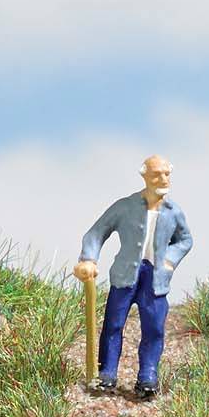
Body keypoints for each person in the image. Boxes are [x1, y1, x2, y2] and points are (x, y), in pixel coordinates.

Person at [74, 154, 193, 401]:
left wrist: (170, 261)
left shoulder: (174, 212)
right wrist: (88, 258)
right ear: (145, 176)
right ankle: (106, 372)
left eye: (166, 174)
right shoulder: (125, 206)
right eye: (156, 174)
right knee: (113, 324)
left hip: (156, 279)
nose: (163, 179)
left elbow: (185, 240)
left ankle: (148, 375)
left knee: (154, 328)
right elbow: (97, 232)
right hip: (125, 275)